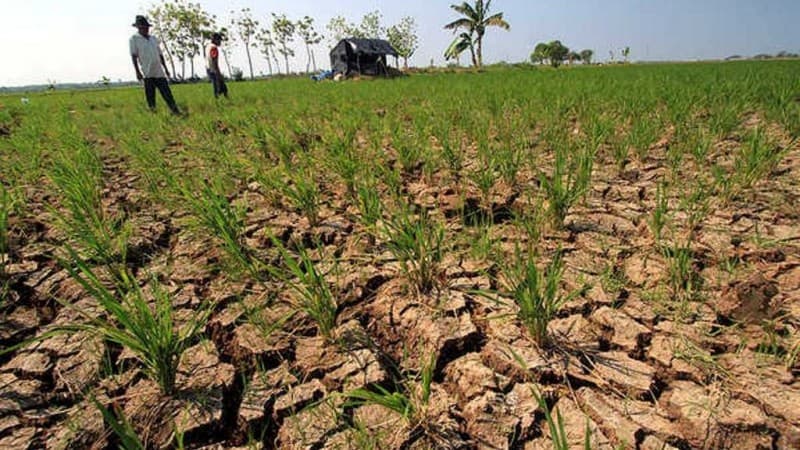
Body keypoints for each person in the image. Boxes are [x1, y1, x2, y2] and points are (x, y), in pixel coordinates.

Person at [129, 15, 181, 115]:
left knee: (167, 93)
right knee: (150, 96)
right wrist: (137, 71)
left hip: (159, 71)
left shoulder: (153, 39)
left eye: (147, 27)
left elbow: (160, 54)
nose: (146, 29)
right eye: (143, 27)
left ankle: (175, 111)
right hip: (147, 73)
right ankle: (153, 114)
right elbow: (134, 56)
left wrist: (165, 68)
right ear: (139, 28)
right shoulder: (134, 39)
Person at [206, 32, 229, 99]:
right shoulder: (214, 48)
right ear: (215, 40)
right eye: (219, 40)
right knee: (222, 88)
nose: (220, 42)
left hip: (209, 69)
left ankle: (221, 101)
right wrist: (218, 73)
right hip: (214, 70)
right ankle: (220, 102)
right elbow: (214, 60)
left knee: (218, 87)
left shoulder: (208, 46)